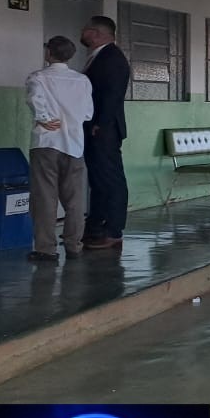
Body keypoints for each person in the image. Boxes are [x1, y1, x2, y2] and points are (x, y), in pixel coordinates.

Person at [24, 36, 94, 262]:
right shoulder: (82, 80)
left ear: (48, 53)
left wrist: (44, 118)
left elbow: (35, 100)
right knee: (75, 200)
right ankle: (74, 245)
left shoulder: (38, 77)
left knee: (44, 198)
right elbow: (88, 114)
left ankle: (46, 249)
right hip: (74, 145)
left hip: (46, 143)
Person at [80, 16, 131, 249]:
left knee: (111, 180)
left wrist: (100, 123)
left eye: (86, 30)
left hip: (105, 129)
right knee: (98, 180)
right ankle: (94, 227)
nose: (82, 33)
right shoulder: (99, 56)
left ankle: (113, 230)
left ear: (96, 33)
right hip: (96, 127)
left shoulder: (113, 58)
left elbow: (112, 94)